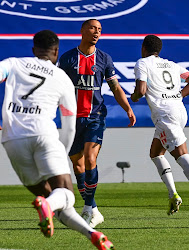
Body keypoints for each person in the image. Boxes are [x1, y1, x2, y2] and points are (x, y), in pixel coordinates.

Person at [0, 30, 114, 249]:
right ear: (55, 52)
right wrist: (63, 151)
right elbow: (70, 125)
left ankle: (91, 234)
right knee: (65, 195)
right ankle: (47, 205)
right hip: (45, 134)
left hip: (12, 140)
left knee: (53, 197)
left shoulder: (14, 63)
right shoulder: (62, 77)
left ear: (34, 50)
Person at [58, 19, 136, 227]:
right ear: (83, 30)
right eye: (93, 28)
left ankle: (87, 209)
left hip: (96, 116)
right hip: (72, 119)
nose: (96, 32)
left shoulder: (104, 59)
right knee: (77, 163)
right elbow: (56, 87)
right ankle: (93, 209)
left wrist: (127, 108)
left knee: (90, 159)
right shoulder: (67, 59)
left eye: (100, 29)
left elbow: (115, 87)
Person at [131, 34, 189, 219]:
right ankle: (173, 195)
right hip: (179, 111)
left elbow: (141, 90)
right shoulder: (171, 64)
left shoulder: (142, 63)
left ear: (144, 48)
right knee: (155, 152)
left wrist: (134, 97)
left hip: (165, 114)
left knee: (181, 153)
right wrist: (178, 96)